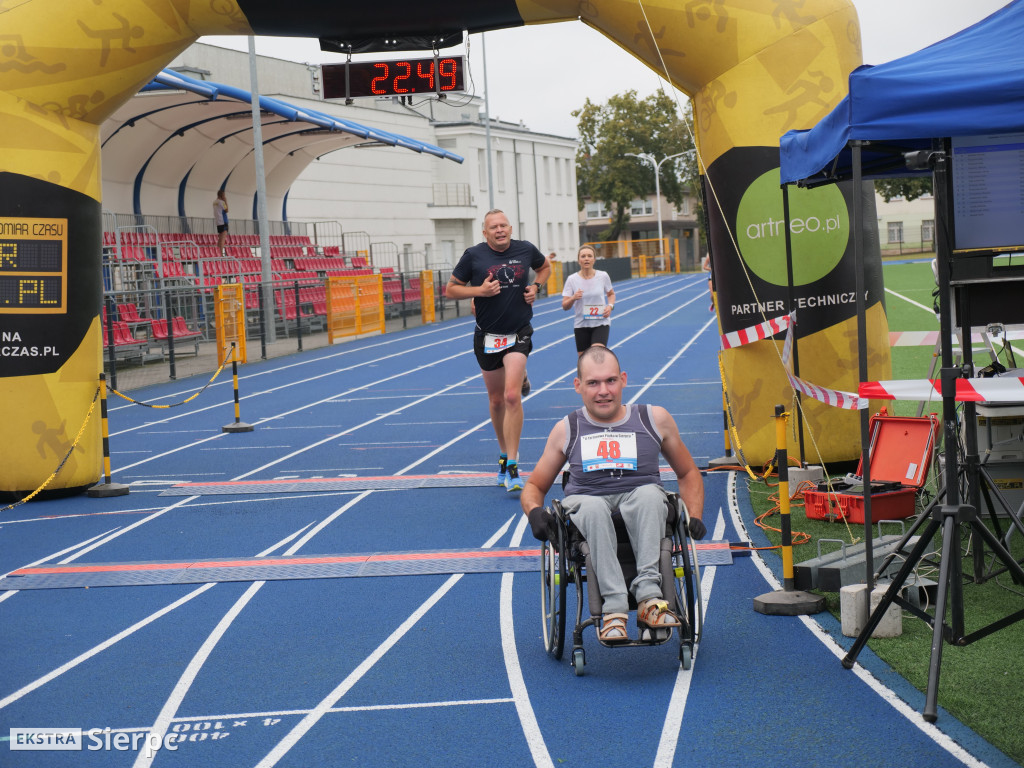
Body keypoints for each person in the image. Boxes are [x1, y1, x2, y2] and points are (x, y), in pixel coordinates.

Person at [520, 346, 705, 644]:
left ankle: (648, 600)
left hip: (642, 502)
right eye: (593, 383)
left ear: (623, 380)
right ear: (578, 385)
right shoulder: (566, 429)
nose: (603, 391)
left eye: (610, 381)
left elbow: (688, 473)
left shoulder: (654, 419)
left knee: (648, 495)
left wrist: (694, 515)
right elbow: (534, 487)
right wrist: (534, 513)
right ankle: (614, 610)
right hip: (587, 504)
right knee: (592, 507)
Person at [447, 210, 550, 493]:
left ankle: (515, 465)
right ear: (485, 232)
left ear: (510, 228)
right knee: (495, 401)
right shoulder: (473, 255)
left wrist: (536, 287)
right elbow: (451, 290)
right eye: (494, 227)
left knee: (511, 395)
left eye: (503, 225)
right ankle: (504, 455)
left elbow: (545, 267)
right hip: (487, 336)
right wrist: (479, 291)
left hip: (518, 331)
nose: (499, 230)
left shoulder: (525, 249)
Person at [562, 244, 615, 356]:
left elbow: (611, 294)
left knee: (597, 354)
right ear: (578, 260)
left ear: (594, 260)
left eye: (589, 256)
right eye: (583, 256)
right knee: (583, 360)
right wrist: (573, 298)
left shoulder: (603, 276)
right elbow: (565, 306)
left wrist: (610, 306)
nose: (586, 258)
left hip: (601, 322)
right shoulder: (572, 279)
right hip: (581, 324)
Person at [213, 189, 229, 256]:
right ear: (222, 195)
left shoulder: (214, 202)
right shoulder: (221, 202)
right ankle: (221, 254)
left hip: (218, 222)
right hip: (223, 221)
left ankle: (217, 253)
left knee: (219, 239)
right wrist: (225, 201)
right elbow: (227, 210)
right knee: (223, 238)